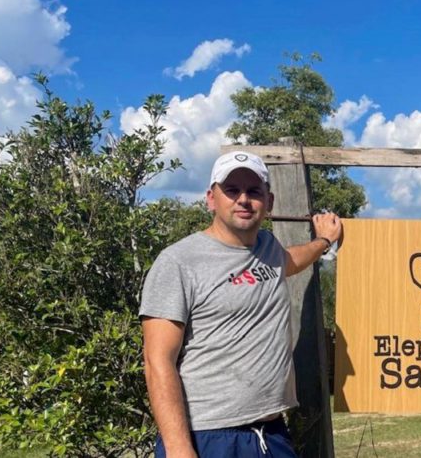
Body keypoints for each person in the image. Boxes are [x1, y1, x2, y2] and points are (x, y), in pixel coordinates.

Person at [140, 151, 343, 458]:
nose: (244, 200)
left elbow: (292, 260)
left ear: (269, 202)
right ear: (211, 199)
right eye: (232, 190)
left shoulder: (269, 248)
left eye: (254, 191)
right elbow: (157, 362)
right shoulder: (179, 262)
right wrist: (179, 449)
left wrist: (324, 241)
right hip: (207, 437)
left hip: (272, 434)